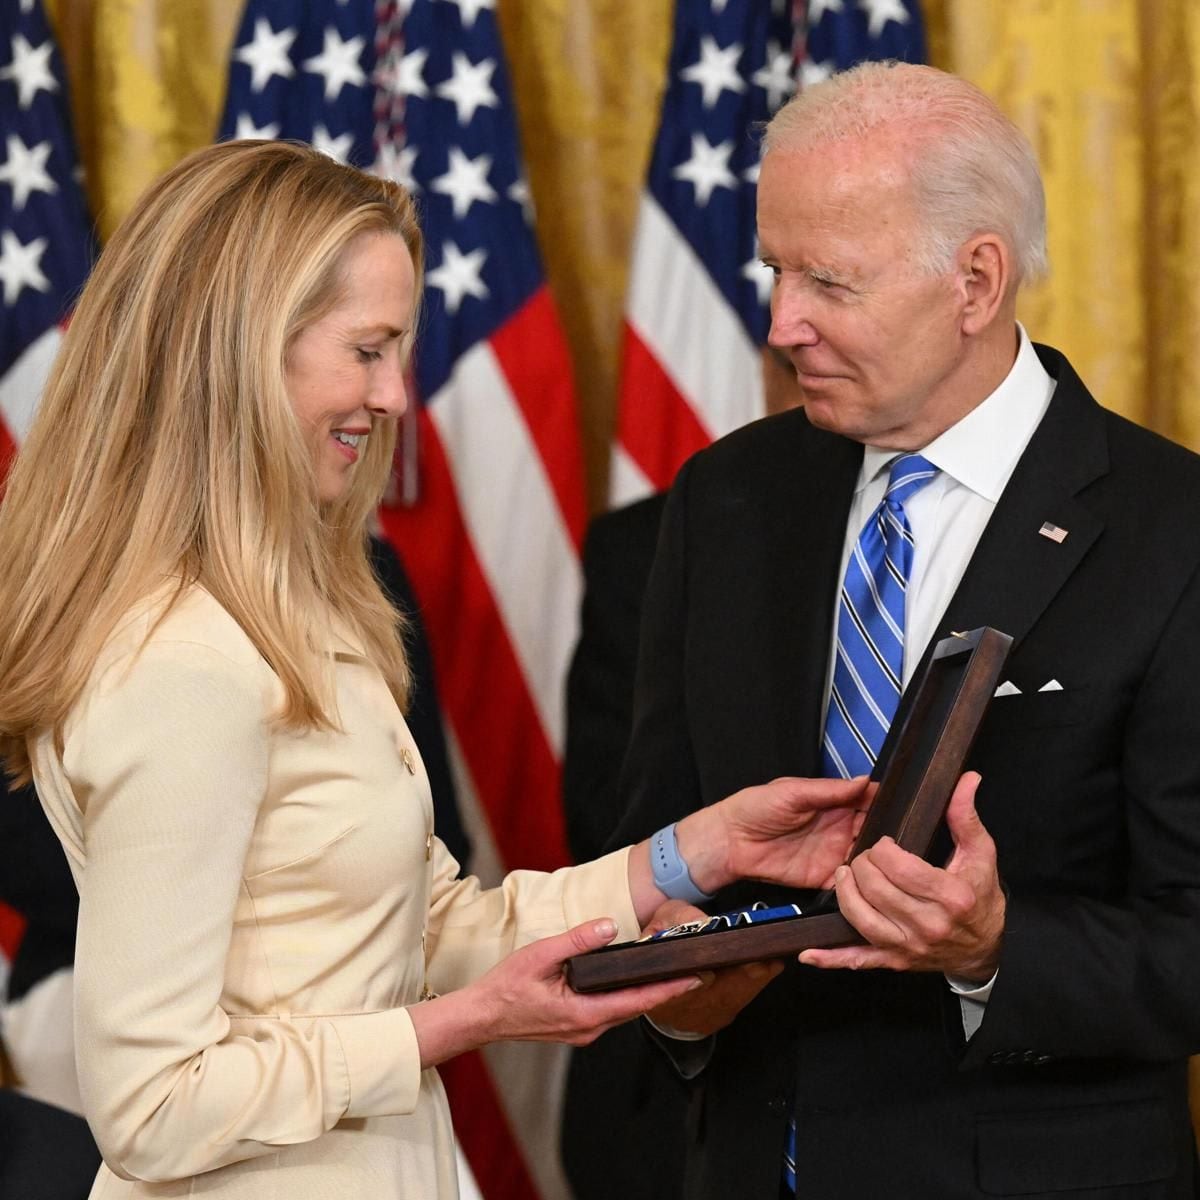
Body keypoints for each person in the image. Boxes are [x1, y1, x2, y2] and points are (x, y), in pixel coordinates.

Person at [0, 139, 868, 1200]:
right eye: (368, 350)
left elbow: (420, 922)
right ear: (244, 351)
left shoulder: (305, 605)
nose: (399, 395)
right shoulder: (181, 659)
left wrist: (688, 855)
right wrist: (470, 1022)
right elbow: (154, 1108)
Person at [611, 62, 1200, 1198]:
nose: (783, 322)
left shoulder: (1171, 531)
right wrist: (680, 1000)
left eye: (830, 281)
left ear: (976, 280)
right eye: (776, 267)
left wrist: (992, 951)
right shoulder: (724, 498)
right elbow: (649, 846)